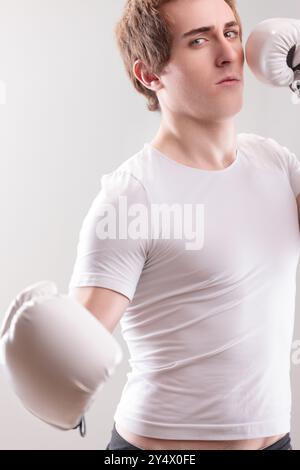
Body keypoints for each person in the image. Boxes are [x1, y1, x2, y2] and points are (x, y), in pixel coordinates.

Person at [68, 0, 299, 450]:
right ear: (150, 75)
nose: (228, 52)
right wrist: (48, 366)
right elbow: (74, 347)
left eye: (230, 32)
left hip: (277, 442)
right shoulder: (132, 194)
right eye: (198, 40)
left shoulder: (275, 162)